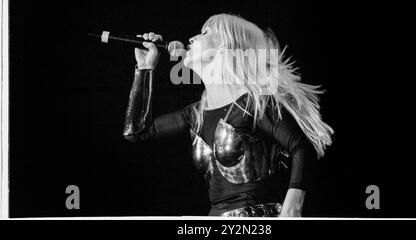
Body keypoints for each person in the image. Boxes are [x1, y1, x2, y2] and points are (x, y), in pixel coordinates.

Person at [122, 13, 333, 217]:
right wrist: (145, 68)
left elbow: (301, 147)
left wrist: (291, 209)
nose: (192, 38)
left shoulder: (254, 103)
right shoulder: (195, 114)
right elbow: (137, 132)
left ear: (226, 46)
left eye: (205, 33)